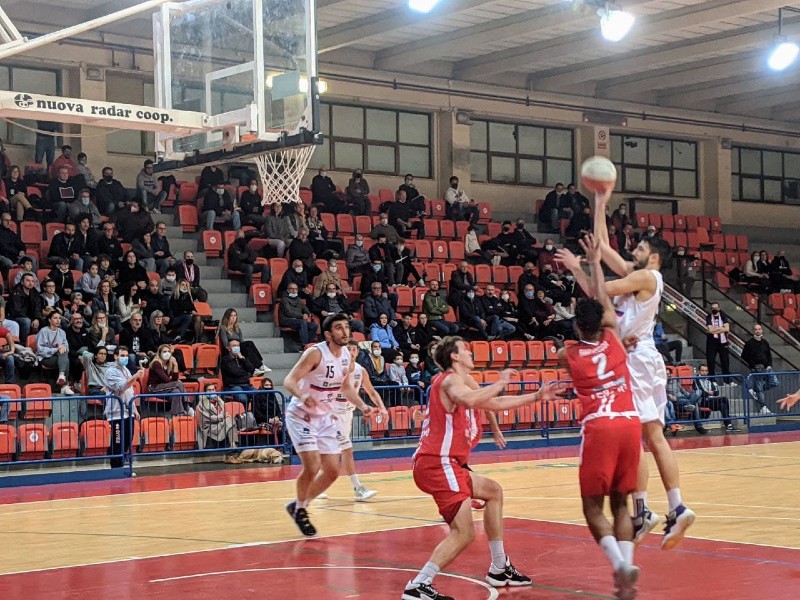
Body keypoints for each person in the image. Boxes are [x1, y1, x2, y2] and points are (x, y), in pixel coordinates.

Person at [558, 188, 694, 551]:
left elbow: (599, 292)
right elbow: (603, 247)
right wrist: (600, 205)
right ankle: (650, 509)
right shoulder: (638, 274)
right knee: (643, 436)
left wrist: (577, 268)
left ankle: (670, 507)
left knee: (649, 435)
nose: (634, 250)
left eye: (640, 248)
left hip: (637, 358)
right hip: (636, 356)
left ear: (654, 258)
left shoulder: (647, 278)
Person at [403, 337, 555, 600]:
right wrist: (500, 382)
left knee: (493, 491)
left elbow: (494, 404)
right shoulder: (450, 380)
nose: (471, 353)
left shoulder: (462, 382)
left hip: (447, 463)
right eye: (466, 349)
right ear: (454, 356)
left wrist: (536, 396)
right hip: (438, 462)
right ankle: (419, 584)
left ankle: (499, 567)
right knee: (464, 533)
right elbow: (471, 399)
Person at [558, 234, 641, 600]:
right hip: (630, 422)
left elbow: (593, 313)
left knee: (592, 507)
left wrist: (575, 268)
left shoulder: (568, 354)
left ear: (577, 327)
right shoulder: (614, 337)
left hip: (601, 426)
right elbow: (602, 302)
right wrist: (591, 263)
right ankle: (628, 566)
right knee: (621, 502)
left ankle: (620, 566)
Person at [282, 314, 375, 536]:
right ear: (328, 334)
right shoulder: (315, 353)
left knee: (333, 471)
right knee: (313, 465)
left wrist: (363, 406)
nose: (345, 331)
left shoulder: (346, 356)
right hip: (302, 415)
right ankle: (301, 510)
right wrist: (302, 396)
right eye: (339, 328)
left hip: (324, 417)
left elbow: (345, 387)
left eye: (347, 327)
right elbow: (289, 380)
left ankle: (299, 506)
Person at [331, 340, 388, 501]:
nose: (351, 352)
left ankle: (314, 485)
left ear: (357, 352)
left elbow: (371, 392)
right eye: (347, 349)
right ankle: (358, 488)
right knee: (347, 449)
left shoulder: (360, 370)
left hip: (347, 413)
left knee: (333, 452)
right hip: (332, 413)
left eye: (354, 349)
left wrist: (382, 407)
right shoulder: (335, 368)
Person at [103, 346, 143, 468]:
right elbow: (121, 388)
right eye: (122, 355)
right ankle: (116, 467)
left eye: (126, 356)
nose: (125, 358)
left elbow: (130, 392)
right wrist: (135, 377)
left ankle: (121, 464)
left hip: (128, 412)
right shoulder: (110, 371)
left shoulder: (126, 370)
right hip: (116, 412)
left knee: (127, 440)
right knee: (117, 441)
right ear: (115, 356)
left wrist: (135, 410)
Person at [218, 308, 270, 375]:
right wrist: (234, 344)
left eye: (235, 316)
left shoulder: (237, 329)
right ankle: (260, 365)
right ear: (227, 317)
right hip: (229, 349)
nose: (233, 318)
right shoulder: (223, 328)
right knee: (248, 344)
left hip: (238, 347)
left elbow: (242, 341)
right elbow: (225, 344)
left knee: (249, 344)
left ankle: (260, 365)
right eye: (231, 316)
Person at [36, 308, 75, 395]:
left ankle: (61, 377)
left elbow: (66, 347)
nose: (58, 320)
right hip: (45, 358)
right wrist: (56, 349)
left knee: (64, 352)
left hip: (59, 357)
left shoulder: (62, 332)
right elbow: (40, 350)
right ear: (49, 320)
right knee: (65, 360)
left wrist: (62, 348)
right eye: (55, 318)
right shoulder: (43, 331)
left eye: (59, 318)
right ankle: (64, 385)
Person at [741, 323, 778, 415]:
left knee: (775, 382)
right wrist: (753, 365)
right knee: (759, 387)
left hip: (766, 367)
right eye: (756, 329)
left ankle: (756, 390)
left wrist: (769, 365)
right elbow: (744, 356)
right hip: (756, 368)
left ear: (762, 330)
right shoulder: (749, 343)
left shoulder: (765, 342)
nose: (758, 331)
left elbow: (769, 355)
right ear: (753, 331)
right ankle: (763, 407)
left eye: (759, 329)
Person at [692, 364, 738, 432]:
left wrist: (710, 393)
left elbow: (717, 392)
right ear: (699, 371)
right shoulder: (696, 380)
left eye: (706, 371)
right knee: (724, 399)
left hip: (711, 400)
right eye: (702, 371)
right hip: (702, 401)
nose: (704, 372)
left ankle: (728, 425)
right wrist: (709, 393)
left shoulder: (709, 380)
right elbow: (700, 393)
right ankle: (728, 420)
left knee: (722, 405)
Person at [149, 344, 190, 417]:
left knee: (176, 392)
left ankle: (177, 416)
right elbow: (166, 380)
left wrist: (175, 364)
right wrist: (173, 381)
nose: (167, 353)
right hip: (154, 388)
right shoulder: (156, 363)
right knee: (178, 383)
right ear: (160, 353)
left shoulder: (169, 364)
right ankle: (187, 407)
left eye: (168, 351)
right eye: (164, 352)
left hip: (166, 387)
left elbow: (174, 378)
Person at [196, 383, 239, 449]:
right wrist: (222, 417)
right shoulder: (202, 403)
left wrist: (219, 401)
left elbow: (225, 410)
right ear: (205, 392)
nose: (212, 392)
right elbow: (209, 418)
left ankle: (233, 445)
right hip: (209, 427)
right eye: (209, 390)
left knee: (230, 420)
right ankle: (233, 445)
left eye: (213, 389)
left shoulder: (218, 400)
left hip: (219, 423)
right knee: (229, 421)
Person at [705, 302, 732, 381]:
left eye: (716, 308)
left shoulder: (723, 316)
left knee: (725, 361)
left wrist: (714, 330)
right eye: (713, 308)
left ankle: (727, 381)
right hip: (711, 342)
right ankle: (712, 380)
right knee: (711, 361)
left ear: (719, 308)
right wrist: (721, 328)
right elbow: (710, 330)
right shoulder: (709, 317)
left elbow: (727, 329)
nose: (714, 310)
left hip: (723, 342)